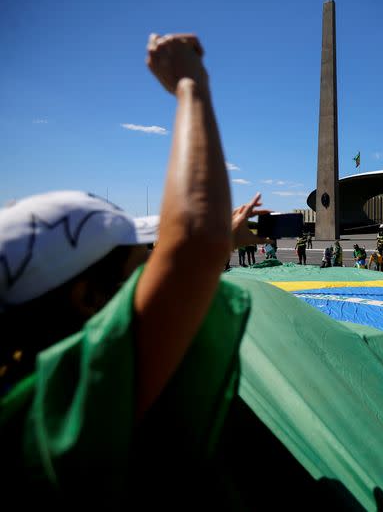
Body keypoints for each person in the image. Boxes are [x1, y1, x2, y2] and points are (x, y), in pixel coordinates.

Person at [0, 33, 270, 501]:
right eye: (138, 258)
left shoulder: (28, 377)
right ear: (88, 298)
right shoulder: (64, 400)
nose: (152, 261)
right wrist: (190, 83)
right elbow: (191, 248)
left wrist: (222, 235)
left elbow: (191, 249)